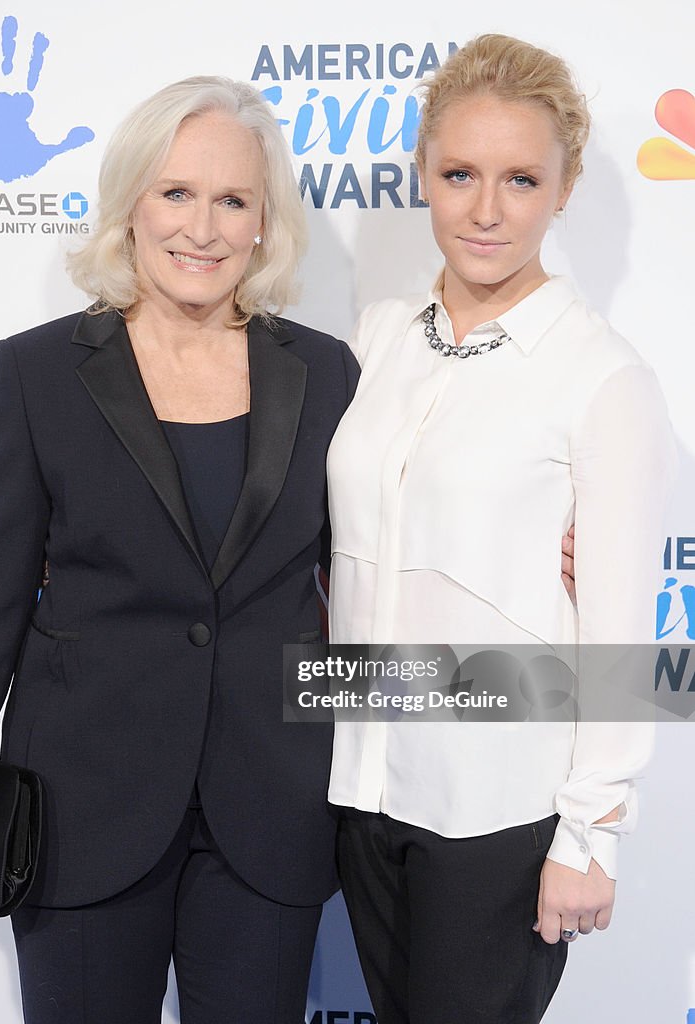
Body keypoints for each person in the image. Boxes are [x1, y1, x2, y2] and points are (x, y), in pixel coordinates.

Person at [0, 77, 360, 1024]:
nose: (202, 227)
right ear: (130, 207)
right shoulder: (37, 373)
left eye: (232, 199)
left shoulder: (323, 372)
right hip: (82, 808)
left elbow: (369, 574)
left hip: (269, 811)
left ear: (265, 221)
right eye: (175, 193)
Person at [326, 34, 675, 1024]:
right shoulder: (377, 337)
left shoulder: (600, 376)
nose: (485, 209)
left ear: (561, 191)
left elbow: (618, 624)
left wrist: (590, 834)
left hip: (500, 809)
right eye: (458, 174)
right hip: (363, 785)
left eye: (519, 178)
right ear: (423, 179)